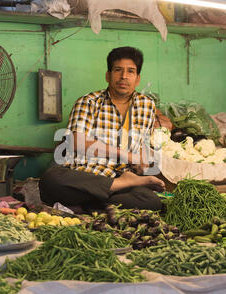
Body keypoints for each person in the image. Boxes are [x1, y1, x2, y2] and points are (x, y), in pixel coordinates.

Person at [39, 46, 165, 212]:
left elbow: (142, 147)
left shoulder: (147, 106)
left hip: (118, 177)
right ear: (108, 75)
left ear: (138, 78)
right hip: (86, 175)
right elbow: (77, 142)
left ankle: (88, 206)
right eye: (118, 70)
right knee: (51, 180)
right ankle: (102, 203)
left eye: (131, 71)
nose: (124, 76)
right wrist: (125, 155)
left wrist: (141, 164)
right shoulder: (89, 102)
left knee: (151, 202)